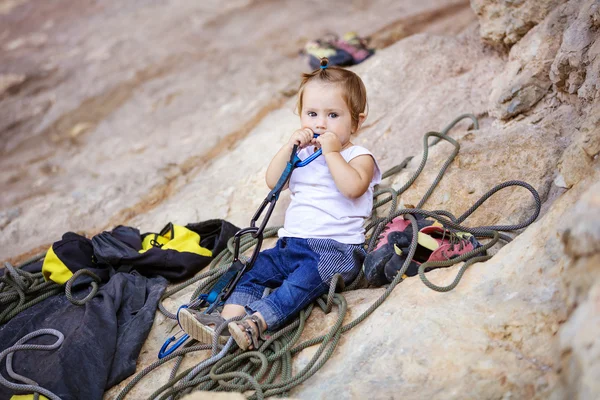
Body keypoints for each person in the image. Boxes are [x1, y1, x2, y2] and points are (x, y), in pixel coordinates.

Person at [179, 57, 381, 350]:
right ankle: (225, 324)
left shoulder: (357, 156)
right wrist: (289, 147)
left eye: (333, 115)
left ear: (357, 121)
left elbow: (352, 188)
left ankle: (256, 325)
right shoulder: (300, 155)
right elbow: (274, 181)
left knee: (299, 285)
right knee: (254, 270)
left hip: (337, 249)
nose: (321, 123)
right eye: (311, 114)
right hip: (291, 245)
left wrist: (332, 153)